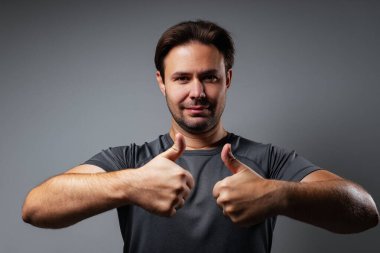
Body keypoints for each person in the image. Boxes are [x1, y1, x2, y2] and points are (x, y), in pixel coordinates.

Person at [22, 20, 379, 253]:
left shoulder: (269, 161)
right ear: (161, 83)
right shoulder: (130, 161)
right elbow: (36, 208)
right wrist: (130, 185)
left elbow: (365, 211)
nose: (197, 92)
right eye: (181, 78)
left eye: (209, 77)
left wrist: (278, 194)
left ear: (228, 80)